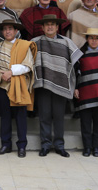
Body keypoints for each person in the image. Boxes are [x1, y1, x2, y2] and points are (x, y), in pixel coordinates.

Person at [32, 14, 83, 158]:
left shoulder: (66, 42)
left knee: (59, 117)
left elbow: (76, 64)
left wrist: (76, 86)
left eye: (52, 24)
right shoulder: (35, 42)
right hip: (43, 85)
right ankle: (45, 145)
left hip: (61, 84)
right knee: (44, 116)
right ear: (42, 27)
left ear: (57, 27)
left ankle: (60, 145)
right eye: (47, 24)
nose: (49, 27)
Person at [0, 19, 37, 158]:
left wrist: (11, 72)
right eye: (5, 29)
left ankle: (22, 145)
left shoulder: (24, 45)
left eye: (10, 28)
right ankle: (5, 144)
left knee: (20, 116)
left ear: (16, 31)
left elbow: (28, 65)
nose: (8, 31)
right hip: (2, 85)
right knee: (5, 116)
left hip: (19, 85)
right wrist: (2, 75)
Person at [74, 28, 98, 158]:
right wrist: (75, 88)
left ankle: (96, 147)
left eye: (96, 38)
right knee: (85, 123)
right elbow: (74, 73)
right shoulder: (80, 55)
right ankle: (87, 147)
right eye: (91, 38)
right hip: (85, 93)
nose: (94, 41)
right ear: (87, 39)